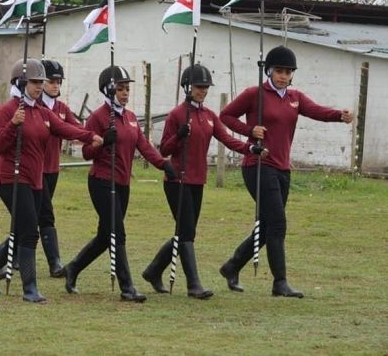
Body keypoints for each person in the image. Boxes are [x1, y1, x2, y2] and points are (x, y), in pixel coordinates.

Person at [218, 46, 354, 298]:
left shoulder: (295, 97)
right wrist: (250, 132)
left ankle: (232, 266)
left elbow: (317, 112)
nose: (283, 75)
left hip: (282, 168)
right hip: (258, 164)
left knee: (269, 224)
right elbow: (225, 116)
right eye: (279, 71)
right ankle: (280, 283)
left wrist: (339, 115)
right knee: (278, 224)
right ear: (269, 70)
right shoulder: (254, 94)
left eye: (288, 72)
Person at [0, 58, 102, 303]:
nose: (39, 86)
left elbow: (65, 128)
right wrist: (13, 125)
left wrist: (90, 137)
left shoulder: (43, 112)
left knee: (23, 230)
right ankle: (30, 288)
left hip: (34, 178)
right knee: (29, 232)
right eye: (34, 82)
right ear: (21, 82)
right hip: (10, 177)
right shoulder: (9, 111)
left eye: (40, 82)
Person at [141, 64, 265, 299]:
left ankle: (153, 270)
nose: (203, 91)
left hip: (198, 180)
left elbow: (227, 139)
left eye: (206, 87)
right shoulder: (177, 115)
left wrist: (250, 148)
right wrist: (179, 136)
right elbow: (164, 148)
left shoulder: (209, 116)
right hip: (177, 179)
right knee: (186, 232)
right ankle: (193, 284)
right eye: (199, 87)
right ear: (188, 87)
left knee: (186, 232)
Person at [63, 65, 176, 303]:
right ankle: (127, 287)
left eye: (127, 89)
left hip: (123, 183)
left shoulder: (131, 118)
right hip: (102, 182)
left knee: (106, 236)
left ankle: (73, 268)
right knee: (118, 233)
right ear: (108, 89)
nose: (125, 93)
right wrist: (103, 142)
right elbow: (85, 153)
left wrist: (163, 164)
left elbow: (144, 146)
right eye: (120, 89)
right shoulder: (98, 117)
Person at [38, 59, 81, 278]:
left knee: (37, 215)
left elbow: (77, 129)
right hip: (35, 169)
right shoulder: (36, 106)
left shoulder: (62, 109)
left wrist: (95, 135)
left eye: (58, 81)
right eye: (51, 81)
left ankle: (13, 258)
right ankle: (54, 263)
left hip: (52, 169)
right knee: (45, 215)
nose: (55, 85)